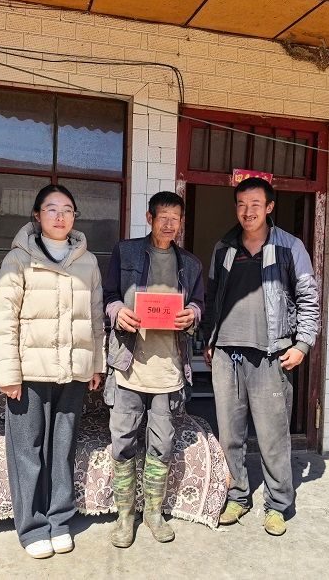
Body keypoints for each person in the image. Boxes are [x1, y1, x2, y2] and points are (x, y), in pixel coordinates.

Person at [0, 184, 105, 559]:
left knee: (63, 448)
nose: (60, 216)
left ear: (74, 217)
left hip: (73, 372)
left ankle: (59, 521)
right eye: (51, 209)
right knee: (28, 450)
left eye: (67, 209)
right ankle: (33, 527)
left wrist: (95, 364)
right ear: (37, 216)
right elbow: (3, 318)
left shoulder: (88, 261)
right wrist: (8, 373)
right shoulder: (19, 259)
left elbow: (96, 317)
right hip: (30, 373)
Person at [203, 177, 320, 536]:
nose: (247, 211)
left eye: (255, 204)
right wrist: (209, 339)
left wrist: (302, 345)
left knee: (272, 436)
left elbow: (309, 298)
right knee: (230, 434)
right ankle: (237, 496)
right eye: (241, 204)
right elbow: (211, 297)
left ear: (269, 207)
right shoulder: (223, 247)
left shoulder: (289, 247)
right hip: (227, 353)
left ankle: (278, 504)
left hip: (272, 355)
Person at [103, 191, 204, 548]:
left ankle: (154, 513)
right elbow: (108, 296)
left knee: (162, 444)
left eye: (175, 218)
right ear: (149, 218)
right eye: (163, 217)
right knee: (123, 442)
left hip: (168, 370)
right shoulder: (126, 252)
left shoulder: (190, 264)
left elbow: (199, 304)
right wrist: (118, 311)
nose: (169, 224)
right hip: (129, 367)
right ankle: (124, 516)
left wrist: (193, 314)